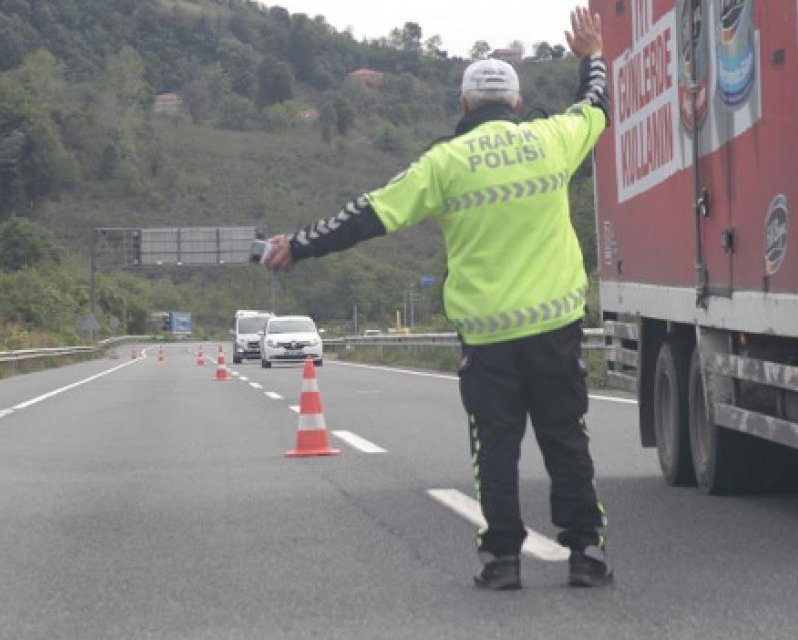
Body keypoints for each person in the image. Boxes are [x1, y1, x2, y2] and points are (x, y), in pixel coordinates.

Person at [263, 7, 613, 590]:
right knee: (566, 439)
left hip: (488, 337)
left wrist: (299, 244)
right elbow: (595, 105)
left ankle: (502, 562)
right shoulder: (551, 140)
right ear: (518, 103)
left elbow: (367, 214)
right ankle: (587, 554)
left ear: (463, 106)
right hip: (556, 328)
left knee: (495, 449)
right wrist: (592, 56)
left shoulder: (444, 163)